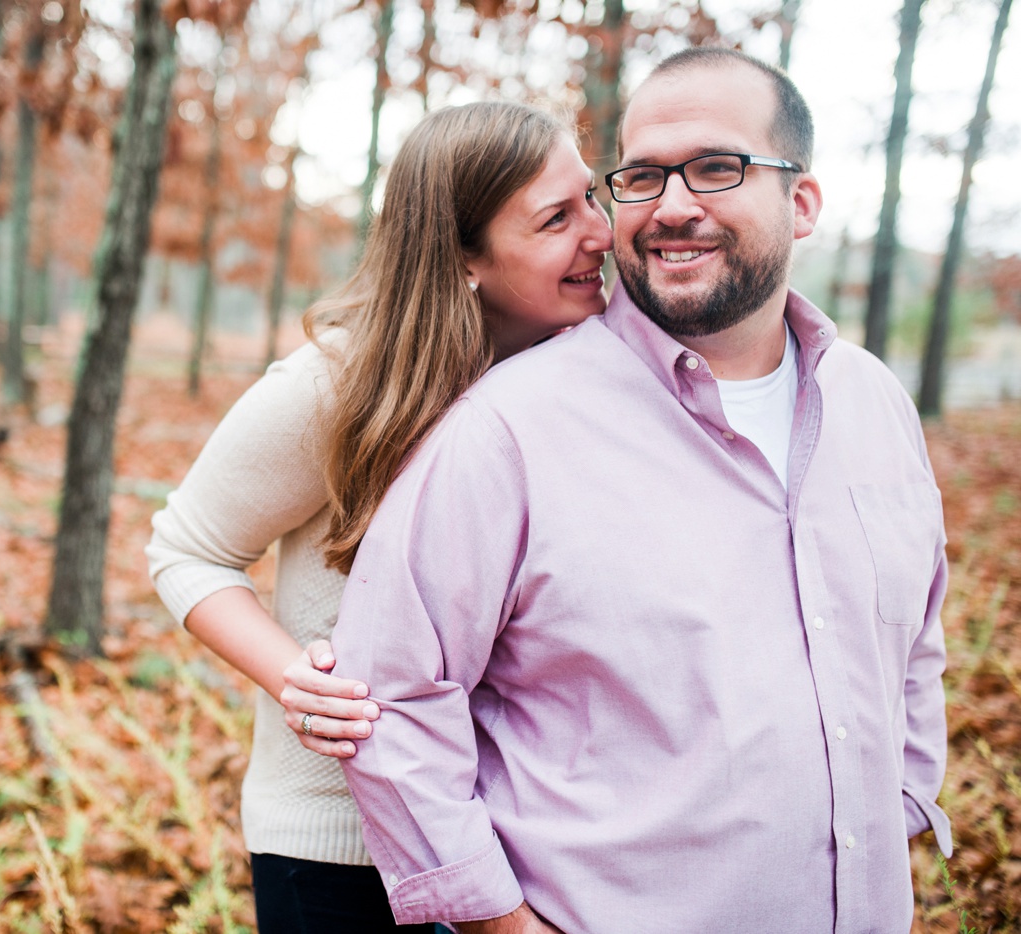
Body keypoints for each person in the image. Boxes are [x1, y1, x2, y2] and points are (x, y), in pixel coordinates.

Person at [327, 48, 952, 934]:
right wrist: (496, 922)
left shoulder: (875, 402)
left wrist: (902, 796)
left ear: (802, 201)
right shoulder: (507, 431)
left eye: (716, 167)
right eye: (644, 176)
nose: (673, 206)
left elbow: (913, 636)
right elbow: (392, 691)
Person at [145, 101, 613, 932]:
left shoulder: (579, 377)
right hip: (340, 853)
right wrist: (296, 680)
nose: (601, 233)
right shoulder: (343, 382)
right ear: (464, 257)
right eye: (555, 219)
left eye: (591, 197)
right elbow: (187, 549)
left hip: (514, 841)